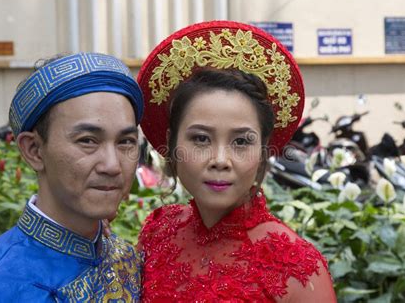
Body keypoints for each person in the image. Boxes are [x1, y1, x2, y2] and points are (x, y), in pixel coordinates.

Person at [136, 21, 336, 302]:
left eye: (241, 141)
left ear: (263, 149)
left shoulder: (298, 268)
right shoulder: (157, 233)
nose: (220, 160)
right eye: (201, 139)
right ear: (173, 143)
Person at [0, 52, 144, 301]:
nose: (112, 165)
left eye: (125, 142)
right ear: (34, 150)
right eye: (87, 141)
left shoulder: (127, 259)